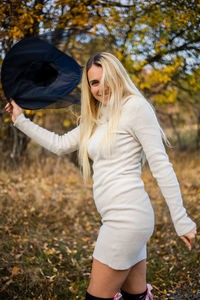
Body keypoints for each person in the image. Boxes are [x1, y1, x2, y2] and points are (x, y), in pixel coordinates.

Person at [5, 52, 197, 300]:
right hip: (121, 219)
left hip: (126, 220)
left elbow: (161, 164)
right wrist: (20, 120)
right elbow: (60, 144)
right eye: (94, 83)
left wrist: (181, 219)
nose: (100, 87)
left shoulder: (135, 107)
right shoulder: (97, 116)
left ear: (117, 75)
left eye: (105, 78)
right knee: (135, 295)